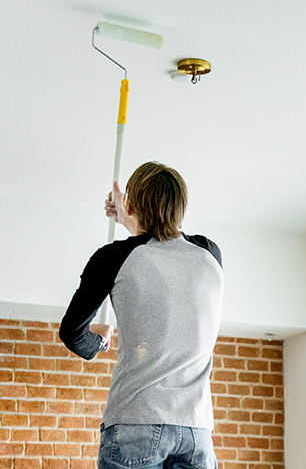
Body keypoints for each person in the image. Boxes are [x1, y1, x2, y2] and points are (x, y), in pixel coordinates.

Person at [59, 162, 223, 469]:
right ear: (182, 206)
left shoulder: (113, 257)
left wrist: (99, 342)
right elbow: (162, 244)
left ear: (132, 204)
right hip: (197, 432)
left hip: (135, 423)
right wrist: (132, 218)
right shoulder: (210, 254)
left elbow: (72, 333)